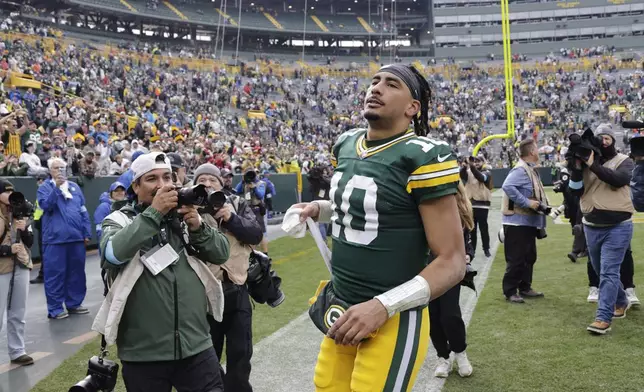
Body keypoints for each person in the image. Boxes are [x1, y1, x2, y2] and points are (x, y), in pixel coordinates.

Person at [294, 64, 465, 392]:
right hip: (342, 306)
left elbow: (453, 261)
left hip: (393, 315)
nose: (376, 88)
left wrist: (382, 306)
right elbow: (373, 209)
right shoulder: (346, 144)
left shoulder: (423, 156)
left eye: (391, 84)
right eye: (374, 82)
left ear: (412, 107)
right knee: (326, 387)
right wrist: (319, 209)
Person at [95, 152, 230, 392]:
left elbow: (221, 254)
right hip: (144, 353)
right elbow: (113, 254)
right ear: (135, 186)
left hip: (196, 344)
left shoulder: (183, 217)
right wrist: (154, 213)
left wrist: (198, 227)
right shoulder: (119, 219)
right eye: (152, 179)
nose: (162, 185)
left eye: (167, 177)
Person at [193, 163, 263, 392]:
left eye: (212, 179)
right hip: (202, 293)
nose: (207, 183)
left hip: (237, 289)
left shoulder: (237, 203)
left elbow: (256, 233)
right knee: (206, 356)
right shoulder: (189, 205)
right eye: (202, 179)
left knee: (241, 354)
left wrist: (231, 219)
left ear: (221, 183)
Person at [568, 125, 635, 335]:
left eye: (607, 138)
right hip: (591, 225)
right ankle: (622, 300)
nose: (604, 142)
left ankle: (603, 318)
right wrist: (577, 169)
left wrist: (593, 165)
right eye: (600, 138)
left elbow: (618, 179)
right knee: (600, 270)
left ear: (613, 140)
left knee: (608, 272)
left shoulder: (625, 160)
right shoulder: (587, 162)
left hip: (618, 225)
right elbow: (575, 191)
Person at [37, 157, 92, 319]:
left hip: (75, 238)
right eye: (56, 168)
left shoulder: (75, 187)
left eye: (62, 167)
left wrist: (86, 232)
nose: (60, 171)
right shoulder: (45, 187)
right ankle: (55, 309)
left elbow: (83, 211)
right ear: (50, 171)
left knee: (76, 273)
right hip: (55, 239)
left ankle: (74, 304)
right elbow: (46, 206)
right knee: (55, 274)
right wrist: (57, 189)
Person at [430, 183, 474, 379]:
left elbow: (469, 238)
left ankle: (460, 352)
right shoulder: (425, 204)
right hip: (427, 267)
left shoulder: (460, 206)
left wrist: (468, 255)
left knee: (450, 314)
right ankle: (442, 356)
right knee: (432, 316)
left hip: (450, 267)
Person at [501, 138, 548, 304]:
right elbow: (507, 186)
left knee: (529, 257)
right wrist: (527, 203)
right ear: (531, 152)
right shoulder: (520, 170)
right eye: (536, 148)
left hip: (527, 222)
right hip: (517, 222)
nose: (539, 152)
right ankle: (510, 291)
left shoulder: (529, 169)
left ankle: (525, 287)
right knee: (517, 258)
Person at [0, 179, 35, 366]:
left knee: (18, 311)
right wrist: (6, 250)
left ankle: (17, 350)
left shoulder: (21, 212)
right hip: (1, 268)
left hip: (21, 264)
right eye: (6, 192)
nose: (11, 196)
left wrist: (24, 231)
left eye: (12, 192)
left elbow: (30, 243)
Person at [460, 156, 492, 258]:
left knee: (483, 228)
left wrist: (472, 166)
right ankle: (471, 250)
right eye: (475, 161)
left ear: (483, 162)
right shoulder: (469, 171)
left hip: (482, 205)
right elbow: (462, 175)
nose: (476, 163)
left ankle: (486, 249)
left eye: (479, 161)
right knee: (471, 229)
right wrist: (464, 166)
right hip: (470, 204)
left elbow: (481, 178)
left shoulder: (487, 172)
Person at [235, 170, 268, 255]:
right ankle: (253, 254)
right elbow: (237, 191)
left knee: (261, 232)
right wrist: (242, 181)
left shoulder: (261, 183)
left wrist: (254, 188)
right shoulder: (245, 184)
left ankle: (265, 253)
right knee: (250, 232)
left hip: (257, 209)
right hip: (247, 209)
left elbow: (261, 195)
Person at [30, 174, 46, 284]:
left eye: (41, 180)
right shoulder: (40, 193)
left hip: (44, 226)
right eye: (38, 180)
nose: (39, 182)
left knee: (45, 251)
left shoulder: (45, 193)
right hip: (40, 226)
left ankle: (43, 275)